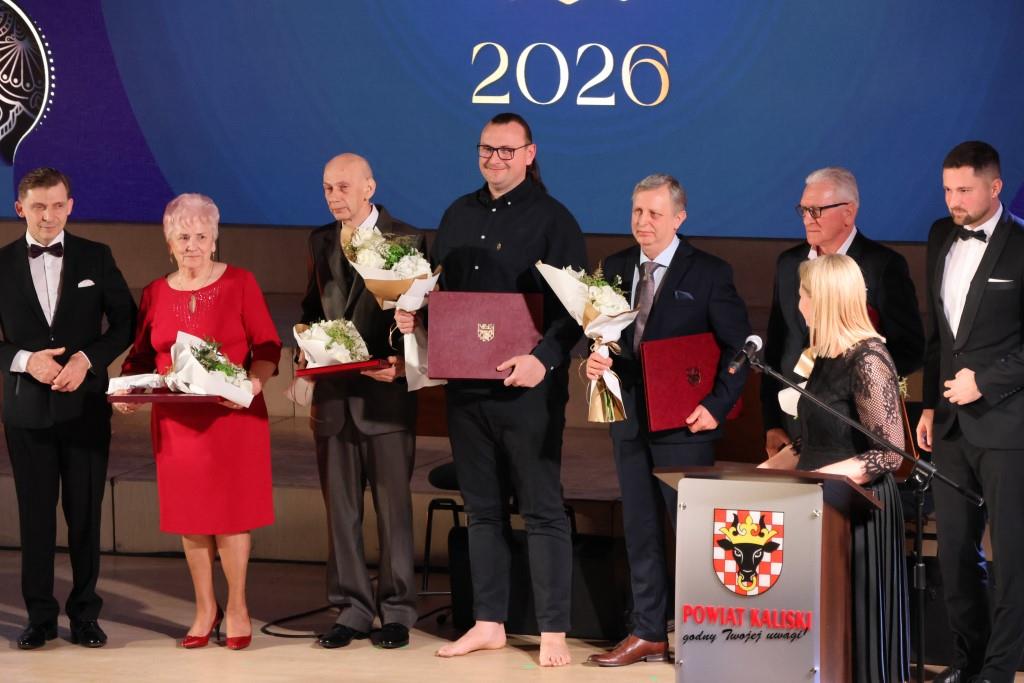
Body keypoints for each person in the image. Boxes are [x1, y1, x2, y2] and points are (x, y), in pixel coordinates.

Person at [396, 112, 586, 667]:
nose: (494, 159)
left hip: (528, 391)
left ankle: (553, 630)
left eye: (506, 150)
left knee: (542, 509)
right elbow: (442, 293)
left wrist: (542, 360)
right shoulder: (457, 214)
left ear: (529, 154)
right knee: (481, 510)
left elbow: (577, 310)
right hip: (466, 388)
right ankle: (488, 623)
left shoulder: (555, 220)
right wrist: (415, 317)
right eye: (486, 149)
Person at [584, 174, 750, 666]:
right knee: (639, 529)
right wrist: (594, 359)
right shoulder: (614, 267)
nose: (643, 222)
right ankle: (648, 632)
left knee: (693, 533)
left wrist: (716, 405)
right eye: (637, 211)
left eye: (655, 213)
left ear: (679, 218)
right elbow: (597, 334)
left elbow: (741, 348)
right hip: (630, 419)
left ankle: (706, 638)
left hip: (686, 424)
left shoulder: (710, 272)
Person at [114, 193, 281, 650]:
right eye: (183, 237)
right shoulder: (154, 292)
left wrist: (254, 383)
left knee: (231, 517)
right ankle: (206, 608)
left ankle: (238, 607)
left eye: (201, 236)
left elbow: (268, 346)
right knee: (192, 518)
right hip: (178, 424)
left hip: (233, 417)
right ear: (169, 242)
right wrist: (128, 391)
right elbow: (141, 355)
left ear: (215, 239)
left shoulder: (240, 282)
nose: (193, 245)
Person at [0, 168, 136, 650]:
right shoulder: (1, 264)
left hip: (85, 410)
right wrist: (24, 360)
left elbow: (126, 321)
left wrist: (87, 359)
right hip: (26, 412)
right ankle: (39, 617)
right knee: (35, 518)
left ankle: (84, 615)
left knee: (85, 516)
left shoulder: (96, 256)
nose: (48, 216)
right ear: (20, 209)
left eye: (58, 205)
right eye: (38, 206)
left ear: (70, 206)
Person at [761, 253, 910, 683]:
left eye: (803, 294)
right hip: (816, 506)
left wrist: (823, 481)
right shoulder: (825, 356)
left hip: (855, 512)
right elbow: (818, 438)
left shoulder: (869, 359)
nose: (798, 304)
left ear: (825, 299)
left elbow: (889, 453)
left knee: (848, 629)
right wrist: (761, 474)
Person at [301, 153, 420, 650]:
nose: (334, 197)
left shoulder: (407, 239)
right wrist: (305, 342)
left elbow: (423, 315)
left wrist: (403, 361)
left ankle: (398, 610)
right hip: (333, 397)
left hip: (384, 397)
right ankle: (351, 608)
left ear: (369, 187)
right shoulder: (320, 240)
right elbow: (312, 307)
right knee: (341, 511)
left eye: (343, 187)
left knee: (393, 511)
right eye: (327, 188)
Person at [916, 141, 1024, 683]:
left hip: (1009, 426)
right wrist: (929, 406)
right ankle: (968, 663)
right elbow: (939, 335)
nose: (953, 200)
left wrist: (985, 381)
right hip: (950, 427)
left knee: (1012, 557)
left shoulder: (1022, 245)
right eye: (947, 190)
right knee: (955, 555)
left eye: (964, 189)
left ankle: (1000, 672)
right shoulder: (941, 235)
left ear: (995, 187)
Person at [762, 167, 924, 456]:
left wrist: (852, 382)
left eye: (816, 210)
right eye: (803, 210)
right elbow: (776, 347)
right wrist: (771, 422)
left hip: (853, 426)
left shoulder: (882, 266)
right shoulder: (788, 264)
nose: (807, 219)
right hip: (793, 425)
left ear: (848, 212)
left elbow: (910, 350)